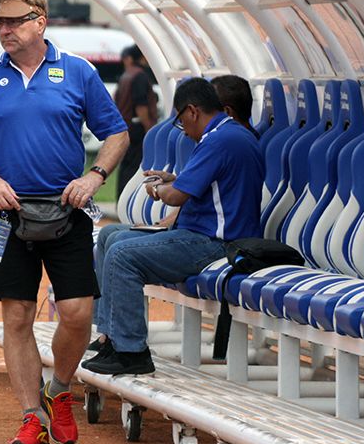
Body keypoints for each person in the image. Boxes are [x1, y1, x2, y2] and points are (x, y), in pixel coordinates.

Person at [0, 0, 128, 444]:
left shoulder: (79, 72)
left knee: (77, 312)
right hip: (5, 216)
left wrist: (95, 175)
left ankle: (60, 388)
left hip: (68, 212)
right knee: (18, 316)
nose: (4, 31)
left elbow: (117, 133)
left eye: (13, 22)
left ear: (40, 21)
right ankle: (32, 419)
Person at [82, 77, 263, 376]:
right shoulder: (225, 135)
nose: (183, 129)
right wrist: (171, 182)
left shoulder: (219, 139)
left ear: (192, 111)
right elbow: (201, 185)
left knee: (122, 255)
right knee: (110, 236)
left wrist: (158, 189)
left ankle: (132, 352)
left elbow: (177, 196)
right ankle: (111, 337)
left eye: (180, 119)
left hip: (216, 242)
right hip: (205, 235)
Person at [114, 45, 158, 201]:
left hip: (126, 126)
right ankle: (130, 201)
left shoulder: (125, 75)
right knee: (136, 167)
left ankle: (122, 200)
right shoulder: (140, 76)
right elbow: (141, 106)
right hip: (138, 127)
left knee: (127, 167)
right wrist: (150, 130)